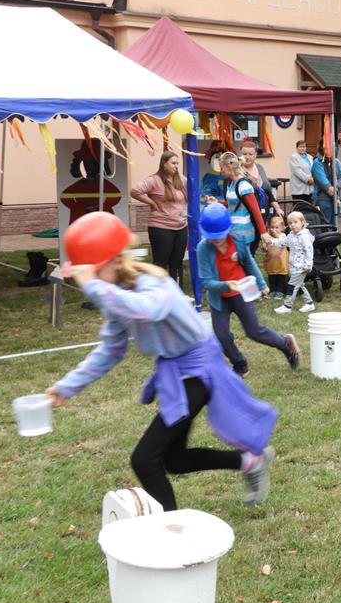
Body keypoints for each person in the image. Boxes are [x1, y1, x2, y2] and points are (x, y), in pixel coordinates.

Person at [46, 212, 276, 510]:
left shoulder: (152, 285)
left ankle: (169, 528)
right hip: (177, 372)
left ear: (111, 262)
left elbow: (148, 309)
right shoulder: (117, 295)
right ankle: (251, 462)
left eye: (90, 275)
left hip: (199, 371)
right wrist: (65, 387)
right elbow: (109, 351)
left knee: (144, 459)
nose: (87, 284)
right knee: (174, 460)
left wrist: (95, 286)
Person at [196, 204, 301, 378]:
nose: (216, 240)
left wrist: (261, 283)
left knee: (254, 331)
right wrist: (226, 285)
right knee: (221, 336)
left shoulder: (237, 241)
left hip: (240, 293)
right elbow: (207, 281)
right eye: (212, 237)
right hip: (219, 298)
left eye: (220, 236)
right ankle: (240, 363)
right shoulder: (203, 249)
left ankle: (285, 344)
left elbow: (249, 263)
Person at [130, 150, 188, 286]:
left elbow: (192, 193)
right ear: (164, 163)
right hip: (161, 227)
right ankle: (157, 290)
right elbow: (135, 191)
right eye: (173, 163)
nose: (176, 166)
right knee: (161, 263)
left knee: (177, 262)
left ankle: (177, 290)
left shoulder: (181, 180)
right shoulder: (154, 180)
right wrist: (151, 202)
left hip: (181, 227)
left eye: (177, 163)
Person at [217, 151, 270, 251]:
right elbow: (233, 205)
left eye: (222, 168)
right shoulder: (230, 183)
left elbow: (255, 210)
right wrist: (216, 203)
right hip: (233, 231)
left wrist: (263, 232)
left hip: (243, 234)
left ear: (229, 167)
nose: (221, 171)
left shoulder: (244, 186)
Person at [271, 210, 316, 314]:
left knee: (292, 286)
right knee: (299, 286)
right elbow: (282, 242)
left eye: (295, 222)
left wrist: (308, 264)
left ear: (302, 223)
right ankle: (309, 303)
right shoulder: (291, 235)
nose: (293, 225)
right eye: (290, 223)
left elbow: (309, 251)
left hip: (302, 267)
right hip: (294, 265)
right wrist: (271, 241)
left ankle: (287, 306)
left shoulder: (304, 236)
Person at [239, 139, 282, 224]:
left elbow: (267, 190)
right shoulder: (238, 171)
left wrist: (277, 208)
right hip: (246, 214)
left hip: (263, 211)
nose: (247, 157)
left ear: (255, 155)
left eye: (250, 154)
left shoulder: (259, 167)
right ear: (240, 154)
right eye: (244, 154)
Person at [262, 214, 290, 299]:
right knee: (272, 276)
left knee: (281, 277)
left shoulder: (283, 236)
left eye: (277, 227)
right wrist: (264, 246)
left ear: (282, 228)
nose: (274, 229)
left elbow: (283, 242)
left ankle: (280, 291)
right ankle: (273, 290)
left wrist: (276, 235)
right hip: (272, 261)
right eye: (272, 227)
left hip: (281, 261)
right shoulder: (268, 236)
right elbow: (264, 248)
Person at [311, 144, 336, 225]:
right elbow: (322, 180)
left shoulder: (334, 161)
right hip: (322, 197)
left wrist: (337, 189)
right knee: (325, 224)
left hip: (334, 196)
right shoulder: (317, 162)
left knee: (333, 224)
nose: (329, 150)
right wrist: (330, 189)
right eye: (326, 148)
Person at [289, 138, 314, 203]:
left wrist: (314, 179)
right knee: (299, 207)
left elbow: (313, 169)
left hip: (310, 188)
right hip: (299, 189)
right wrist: (308, 179)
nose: (302, 148)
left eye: (304, 147)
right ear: (297, 148)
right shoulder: (294, 157)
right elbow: (297, 171)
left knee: (309, 207)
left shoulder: (310, 157)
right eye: (300, 147)